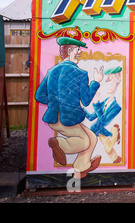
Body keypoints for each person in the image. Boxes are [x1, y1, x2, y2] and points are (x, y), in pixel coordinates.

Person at [35, 36, 104, 178]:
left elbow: (39, 95)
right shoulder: (80, 73)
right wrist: (96, 82)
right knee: (84, 141)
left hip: (53, 117)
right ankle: (59, 144)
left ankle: (81, 168)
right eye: (78, 49)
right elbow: (86, 101)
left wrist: (55, 103)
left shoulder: (52, 71)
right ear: (71, 51)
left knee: (92, 137)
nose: (79, 52)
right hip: (68, 118)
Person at [84, 66, 123, 163]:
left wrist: (96, 103)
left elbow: (104, 121)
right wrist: (82, 109)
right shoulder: (105, 101)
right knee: (106, 147)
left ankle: (114, 131)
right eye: (107, 80)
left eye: (111, 79)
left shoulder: (117, 106)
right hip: (97, 129)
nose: (108, 84)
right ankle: (115, 156)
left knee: (107, 148)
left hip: (99, 129)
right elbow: (91, 117)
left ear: (118, 81)